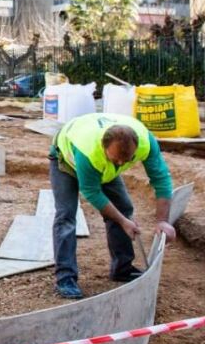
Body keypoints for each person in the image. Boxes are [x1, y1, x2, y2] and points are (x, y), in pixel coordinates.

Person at [50, 113, 175, 300]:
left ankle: (122, 269)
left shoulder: (145, 142)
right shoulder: (89, 152)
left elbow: (161, 179)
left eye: (126, 160)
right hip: (65, 160)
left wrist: (163, 221)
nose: (120, 164)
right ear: (104, 146)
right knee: (66, 216)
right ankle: (65, 278)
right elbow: (91, 191)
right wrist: (123, 222)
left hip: (101, 163)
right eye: (116, 158)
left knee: (123, 208)